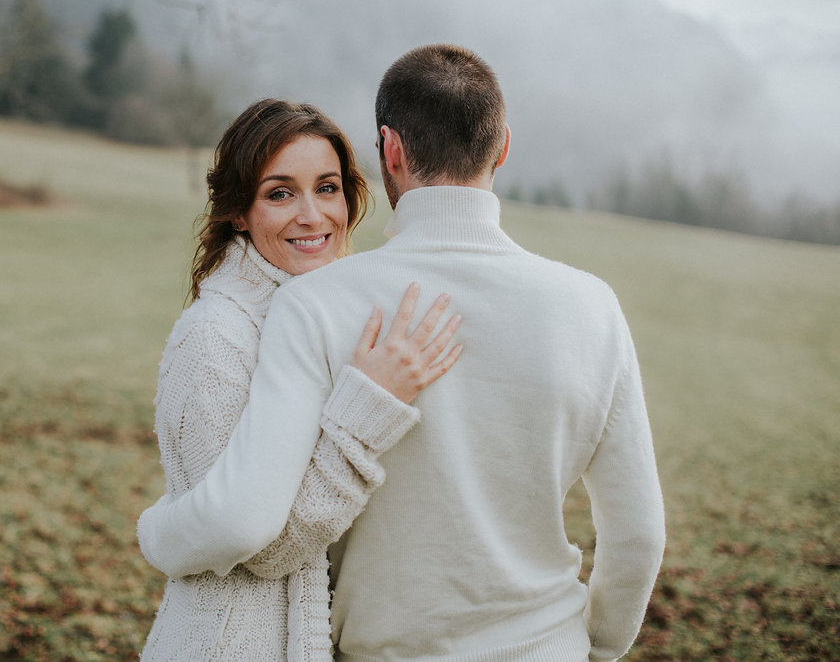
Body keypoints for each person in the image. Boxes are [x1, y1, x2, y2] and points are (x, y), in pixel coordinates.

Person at [138, 45, 666, 661]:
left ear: (389, 150)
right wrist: (593, 645)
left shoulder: (316, 303)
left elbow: (248, 517)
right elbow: (639, 535)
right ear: (501, 148)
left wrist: (156, 529)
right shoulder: (593, 306)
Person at [137, 98, 463, 660]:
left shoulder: (328, 319)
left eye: (328, 188)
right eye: (280, 193)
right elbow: (257, 547)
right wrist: (368, 413)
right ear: (240, 211)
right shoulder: (214, 337)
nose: (312, 215)